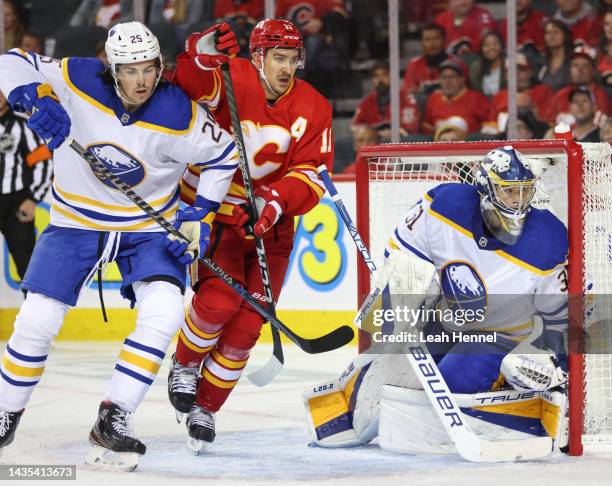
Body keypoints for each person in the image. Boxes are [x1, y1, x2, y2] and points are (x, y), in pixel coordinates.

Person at [0, 22, 239, 470]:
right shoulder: (76, 78)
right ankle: (6, 410)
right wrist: (35, 95)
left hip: (147, 229)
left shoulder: (180, 112)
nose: (141, 80)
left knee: (165, 311)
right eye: (130, 71)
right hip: (75, 221)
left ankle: (114, 417)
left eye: (149, 69)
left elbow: (224, 155)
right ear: (112, 69)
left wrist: (201, 213)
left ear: (160, 67)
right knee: (38, 318)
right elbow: (7, 61)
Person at [303, 146, 569, 456]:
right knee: (378, 391)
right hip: (445, 320)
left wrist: (557, 365)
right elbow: (401, 257)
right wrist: (398, 306)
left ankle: (514, 392)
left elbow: (561, 313)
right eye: (509, 191)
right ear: (485, 188)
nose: (518, 201)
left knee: (452, 382)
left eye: (525, 192)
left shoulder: (548, 237)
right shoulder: (444, 205)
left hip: (503, 337)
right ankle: (354, 389)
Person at [166, 19, 334, 454]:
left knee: (246, 325)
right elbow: (190, 80)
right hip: (216, 213)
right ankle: (184, 365)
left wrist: (274, 201)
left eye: (294, 59)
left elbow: (311, 176)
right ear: (258, 57)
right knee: (219, 302)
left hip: (270, 224)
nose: (287, 67)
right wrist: (201, 51)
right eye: (279, 58)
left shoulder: (315, 106)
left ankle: (206, 406)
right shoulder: (233, 75)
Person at [0, 90, 52, 281]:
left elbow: (44, 163)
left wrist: (32, 198)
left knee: (28, 267)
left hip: (17, 203)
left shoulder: (24, 126)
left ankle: (34, 311)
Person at [422, 58, 497, 136]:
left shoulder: (477, 98)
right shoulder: (434, 99)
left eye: (452, 77)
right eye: (444, 77)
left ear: (462, 79)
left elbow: (490, 130)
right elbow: (427, 128)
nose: (447, 81)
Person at [352, 60, 420, 141]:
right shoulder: (366, 102)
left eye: (384, 74)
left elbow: (410, 129)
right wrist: (374, 134)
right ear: (372, 80)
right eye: (376, 76)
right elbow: (355, 127)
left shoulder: (406, 99)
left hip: (400, 145)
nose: (380, 80)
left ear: (392, 77)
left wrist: (394, 133)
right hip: (374, 145)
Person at [546, 46, 610, 125]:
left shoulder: (601, 95)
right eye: (575, 65)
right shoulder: (560, 95)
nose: (579, 70)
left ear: (593, 70)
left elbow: (604, 126)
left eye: (585, 65)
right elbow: (550, 123)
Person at [493, 52, 553, 131]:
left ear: (530, 72)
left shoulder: (543, 92)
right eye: (511, 70)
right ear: (505, 75)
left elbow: (550, 124)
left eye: (521, 70)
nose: (516, 74)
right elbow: (491, 127)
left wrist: (532, 109)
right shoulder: (498, 97)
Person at [401, 23, 449, 97]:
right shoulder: (414, 65)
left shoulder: (455, 63)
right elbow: (407, 93)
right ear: (421, 43)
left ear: (444, 40)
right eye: (427, 39)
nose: (432, 44)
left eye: (436, 38)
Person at [538, 19, 573, 92]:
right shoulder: (541, 61)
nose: (551, 36)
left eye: (556, 32)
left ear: (565, 36)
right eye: (548, 33)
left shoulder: (573, 60)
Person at [468, 31, 506, 97]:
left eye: (495, 44)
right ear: (481, 49)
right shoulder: (475, 67)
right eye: (486, 45)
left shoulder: (509, 65)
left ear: (501, 46)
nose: (491, 48)